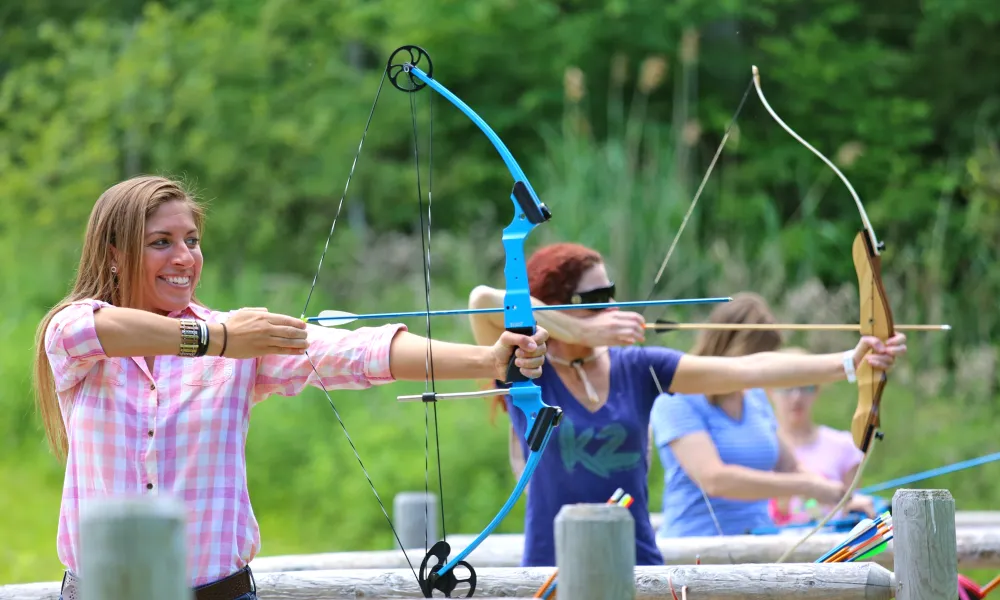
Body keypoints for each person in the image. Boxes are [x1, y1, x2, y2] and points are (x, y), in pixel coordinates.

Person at [33, 175, 550, 600]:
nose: (185, 257)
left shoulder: (242, 340)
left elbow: (359, 351)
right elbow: (90, 329)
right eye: (160, 243)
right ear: (116, 253)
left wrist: (488, 359)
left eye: (192, 240)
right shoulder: (78, 332)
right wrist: (220, 338)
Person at [467, 242, 906, 566]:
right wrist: (581, 334)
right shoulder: (528, 369)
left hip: (638, 566)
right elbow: (483, 300)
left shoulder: (638, 367)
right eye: (597, 300)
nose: (613, 307)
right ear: (557, 306)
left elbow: (746, 370)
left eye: (613, 294)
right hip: (552, 569)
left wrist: (849, 362)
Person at [650, 293, 879, 539]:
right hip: (694, 551)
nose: (760, 372)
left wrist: (843, 497)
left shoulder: (754, 396)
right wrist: (809, 487)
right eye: (756, 358)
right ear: (734, 351)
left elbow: (789, 466)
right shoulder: (675, 400)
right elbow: (714, 479)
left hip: (758, 545)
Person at [768, 346, 878, 527]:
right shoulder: (760, 450)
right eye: (787, 387)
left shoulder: (843, 446)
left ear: (817, 390)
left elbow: (855, 511)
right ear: (770, 391)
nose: (796, 397)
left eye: (805, 387)